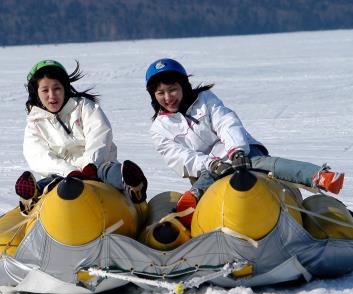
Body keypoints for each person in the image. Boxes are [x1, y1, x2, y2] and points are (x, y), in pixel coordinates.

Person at [145, 58, 344, 227]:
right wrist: (211, 163)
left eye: (172, 90)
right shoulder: (159, 129)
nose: (168, 97)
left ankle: (319, 176)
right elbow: (180, 157)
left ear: (183, 86)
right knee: (210, 176)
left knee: (260, 165)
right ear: (153, 96)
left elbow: (226, 123)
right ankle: (191, 204)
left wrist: (236, 151)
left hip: (242, 152)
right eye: (161, 93)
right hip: (207, 167)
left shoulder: (205, 100)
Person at [16, 59, 147, 214]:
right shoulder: (35, 122)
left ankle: (133, 185)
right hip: (62, 174)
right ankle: (31, 198)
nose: (52, 96)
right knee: (49, 183)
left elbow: (99, 134)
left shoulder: (84, 106)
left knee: (110, 171)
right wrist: (68, 171)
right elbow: (38, 155)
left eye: (57, 88)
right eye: (45, 90)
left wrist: (90, 164)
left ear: (65, 87)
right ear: (36, 93)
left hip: (97, 165)